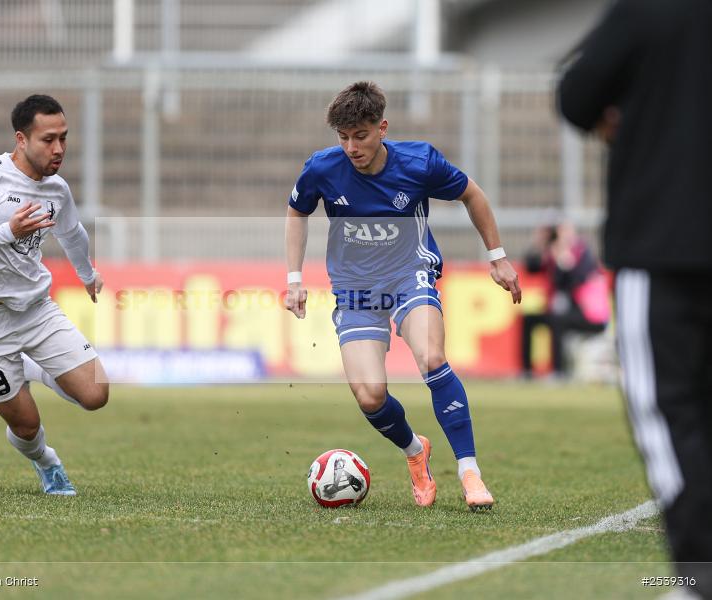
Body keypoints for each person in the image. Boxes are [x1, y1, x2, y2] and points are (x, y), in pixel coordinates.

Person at [284, 81, 521, 511]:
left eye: (360, 135)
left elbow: (472, 194)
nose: (351, 147)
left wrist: (497, 257)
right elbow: (297, 211)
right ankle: (415, 451)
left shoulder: (419, 162)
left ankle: (469, 471)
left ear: (382, 128)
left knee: (431, 357)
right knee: (370, 395)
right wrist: (295, 277)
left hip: (410, 276)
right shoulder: (322, 168)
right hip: (355, 289)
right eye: (343, 137)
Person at [559, 0, 712, 594]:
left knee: (668, 410)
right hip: (664, 239)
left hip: (662, 240)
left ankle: (700, 576)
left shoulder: (651, 8)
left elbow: (578, 95)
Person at [0, 94, 109, 496]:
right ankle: (47, 462)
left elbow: (73, 234)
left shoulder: (57, 190)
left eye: (64, 138)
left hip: (35, 311)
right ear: (21, 139)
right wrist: (8, 232)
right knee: (26, 425)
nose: (59, 149)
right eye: (48, 139)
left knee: (95, 394)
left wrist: (88, 275)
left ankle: (30, 367)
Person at [521, 221, 609, 379]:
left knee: (558, 320)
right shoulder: (552, 253)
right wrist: (539, 244)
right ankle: (527, 371)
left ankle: (558, 372)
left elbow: (576, 280)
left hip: (589, 315)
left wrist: (564, 259)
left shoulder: (582, 252)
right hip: (566, 311)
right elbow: (531, 268)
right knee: (529, 319)